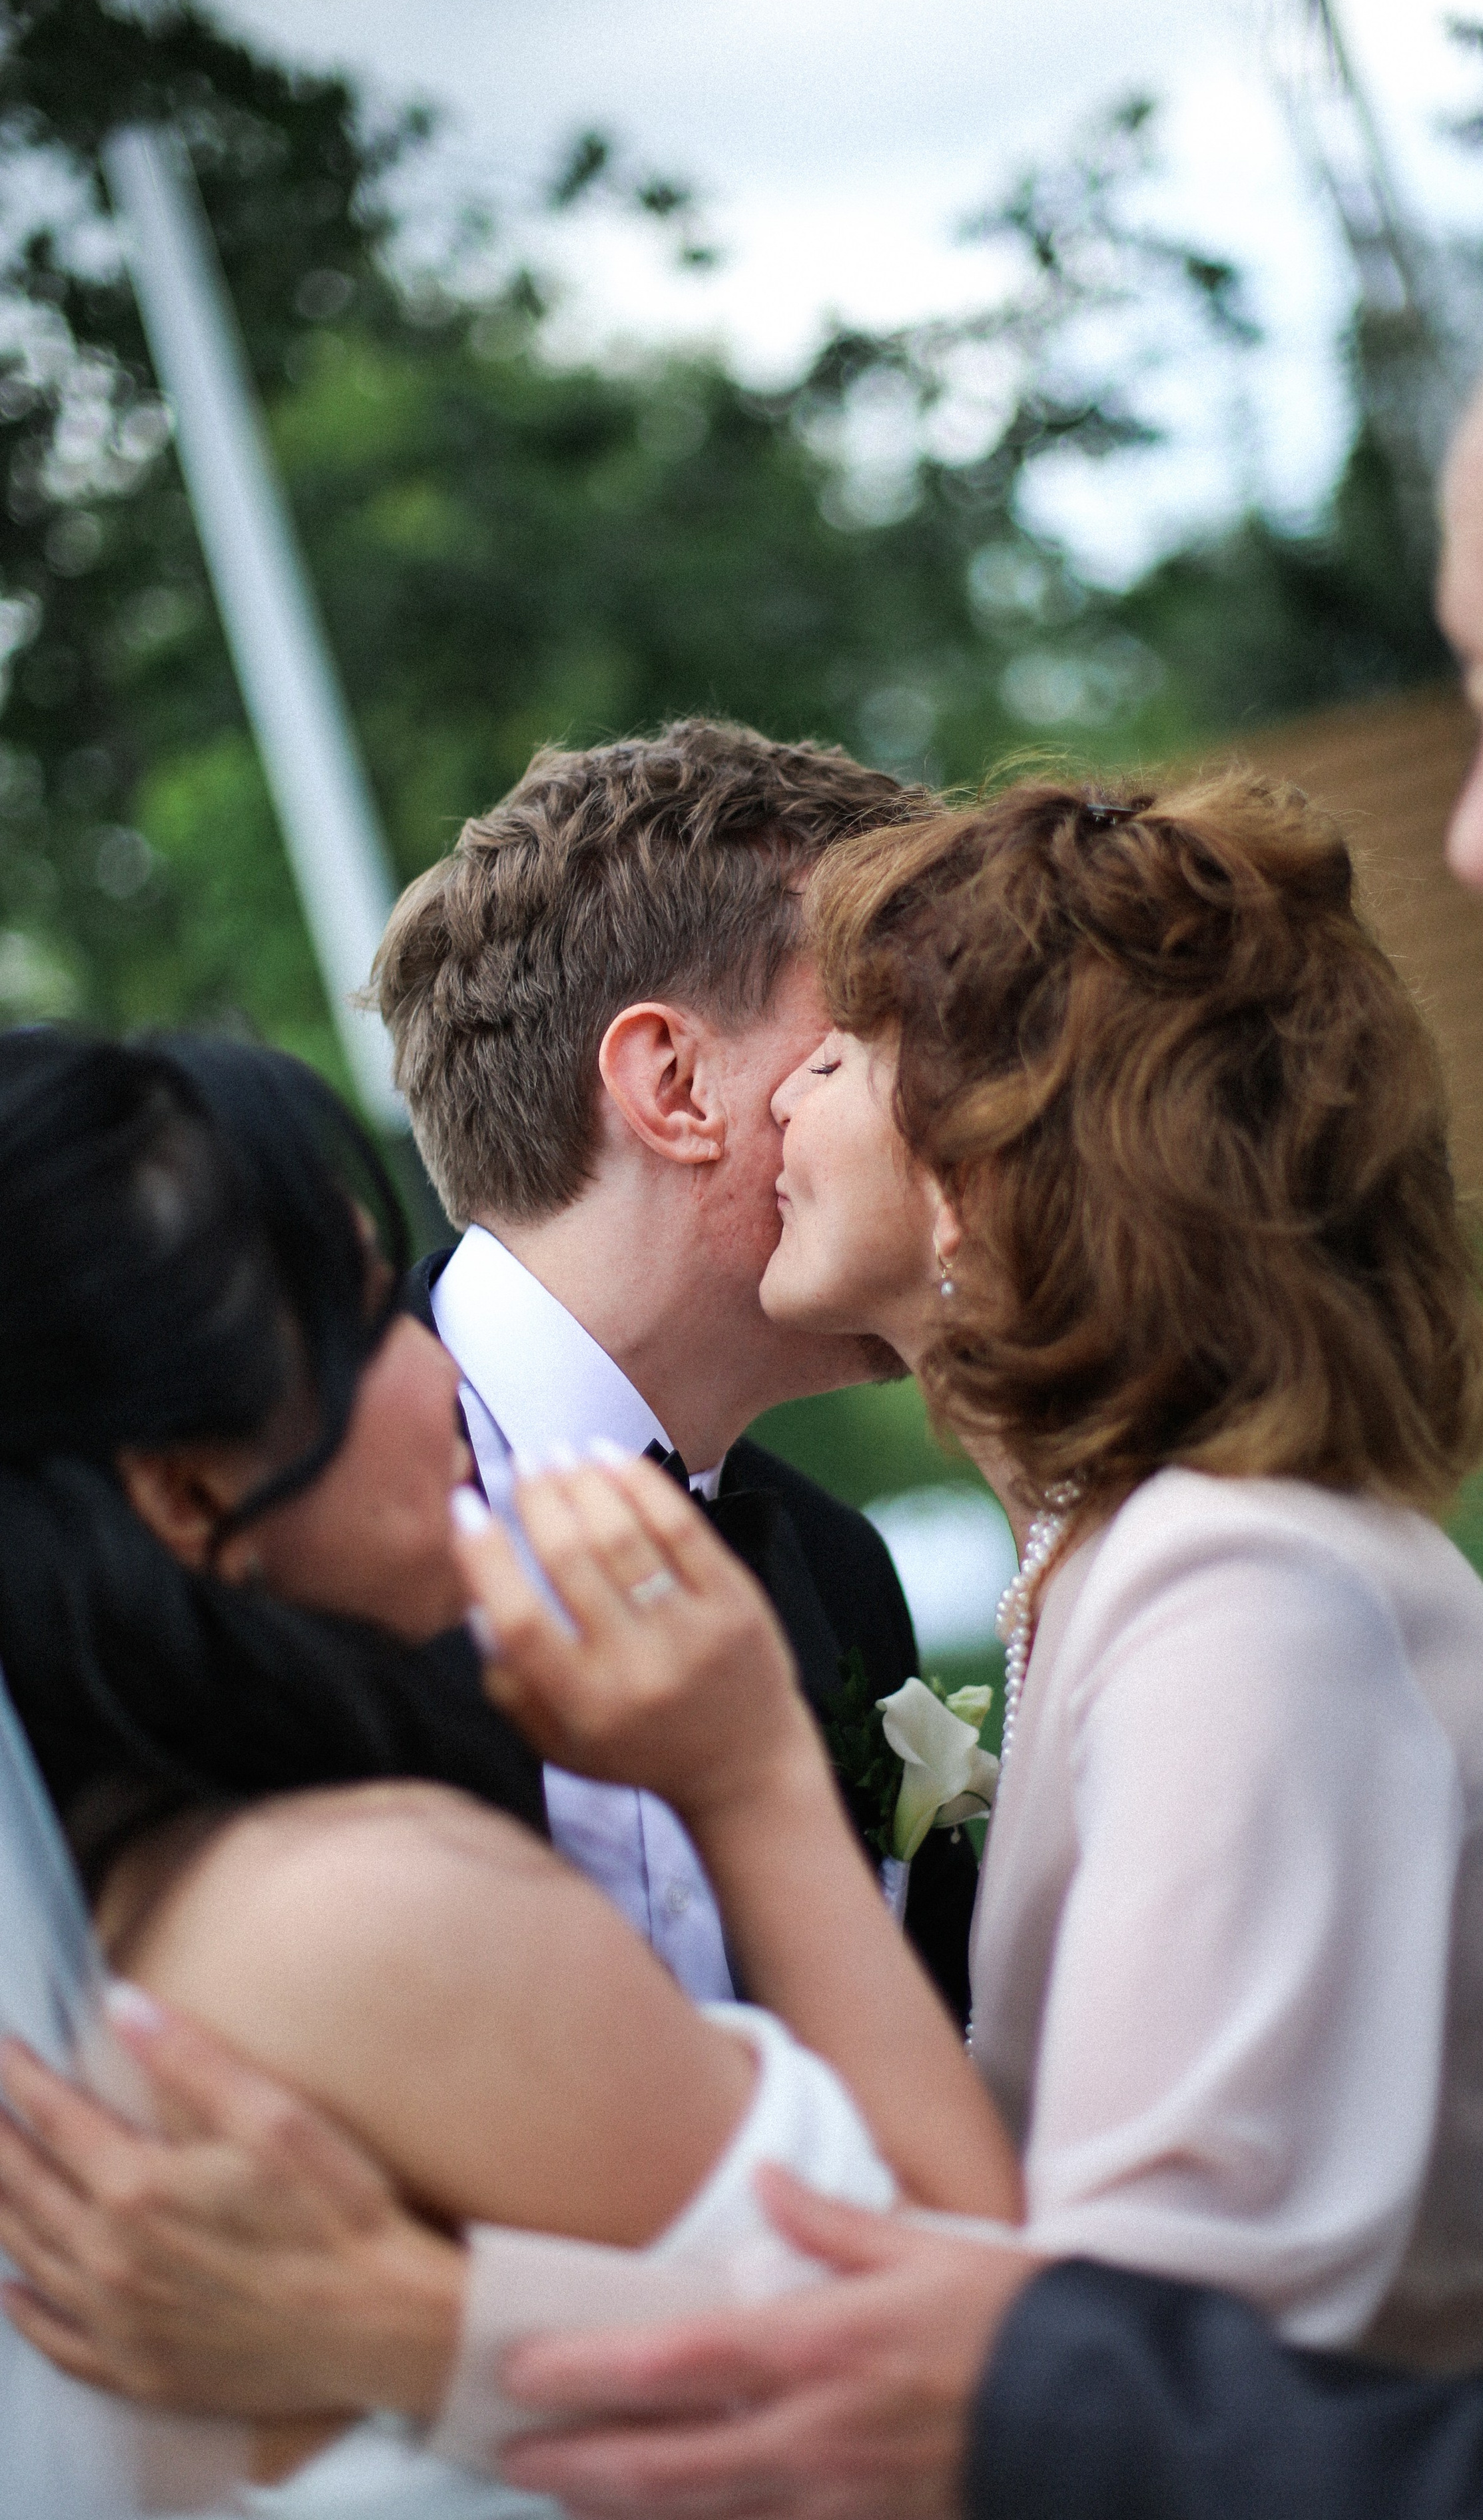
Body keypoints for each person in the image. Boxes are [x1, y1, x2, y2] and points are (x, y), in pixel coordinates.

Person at [10, 171, 1483, 2520]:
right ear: (669, 1084)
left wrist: (427, 2320)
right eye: (831, 1016)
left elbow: (1085, 2376)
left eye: (882, 1039)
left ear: (1033, 1141)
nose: (826, 1086)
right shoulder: (280, 1578)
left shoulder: (1119, 1588)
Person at [0, 1026, 1018, 2517]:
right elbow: (992, 2369)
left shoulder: (115, 1921)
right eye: (359, 1316)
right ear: (185, 1491)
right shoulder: (370, 1912)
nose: (431, 1363)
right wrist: (752, 1787)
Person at [372, 717, 978, 2018]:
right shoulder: (322, 1530)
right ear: (676, 1084)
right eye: (878, 1025)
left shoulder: (837, 1573)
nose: (954, 1098)